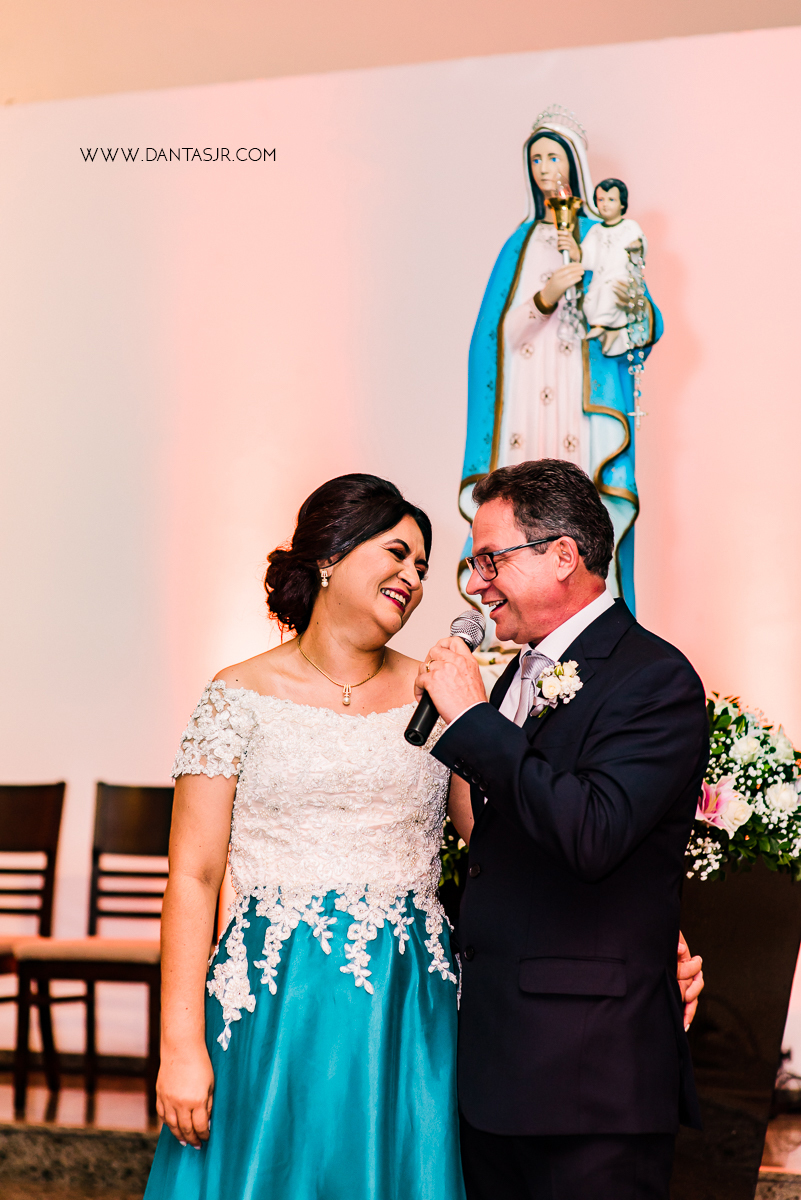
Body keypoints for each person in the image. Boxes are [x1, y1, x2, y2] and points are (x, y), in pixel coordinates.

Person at [143, 474, 465, 1200]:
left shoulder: (437, 695)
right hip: (271, 998)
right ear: (330, 555)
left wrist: (474, 714)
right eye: (397, 554)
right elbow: (192, 876)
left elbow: (497, 842)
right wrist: (180, 1045)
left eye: (422, 566)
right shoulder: (237, 695)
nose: (414, 579)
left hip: (405, 1003)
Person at [417, 458, 709, 1200]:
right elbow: (498, 843)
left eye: (491, 559)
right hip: (496, 1067)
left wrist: (473, 719)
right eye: (474, 563)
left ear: (562, 556)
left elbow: (593, 833)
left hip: (588, 1080)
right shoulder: (516, 675)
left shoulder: (654, 677)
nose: (477, 584)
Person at [460, 106, 662, 616]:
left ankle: (591, 618)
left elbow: (640, 319)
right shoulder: (520, 243)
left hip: (578, 400)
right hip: (527, 400)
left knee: (582, 504)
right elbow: (493, 338)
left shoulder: (605, 235)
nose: (545, 169)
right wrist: (545, 296)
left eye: (554, 157)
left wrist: (620, 304)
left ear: (575, 163)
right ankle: (515, 618)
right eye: (536, 159)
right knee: (521, 513)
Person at [582, 178, 648, 356]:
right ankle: (610, 333)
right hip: (600, 276)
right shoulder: (595, 230)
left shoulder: (629, 226)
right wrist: (575, 252)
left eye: (611, 200)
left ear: (622, 204)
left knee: (610, 293)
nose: (605, 205)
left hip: (619, 276)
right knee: (589, 302)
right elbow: (586, 256)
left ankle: (601, 326)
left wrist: (637, 246)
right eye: (601, 200)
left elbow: (641, 243)